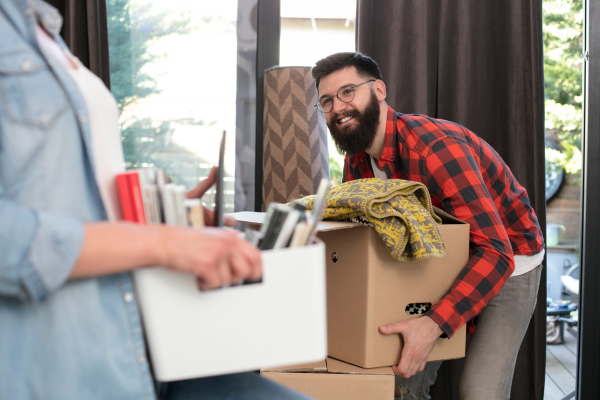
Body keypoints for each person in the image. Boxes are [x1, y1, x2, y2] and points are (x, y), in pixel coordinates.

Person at [0, 1, 313, 399]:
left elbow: (67, 193)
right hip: (63, 367)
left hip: (135, 353)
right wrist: (163, 243)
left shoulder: (44, 29)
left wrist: (165, 214)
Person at [311, 52, 545, 400]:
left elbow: (496, 254)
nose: (337, 108)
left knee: (478, 391)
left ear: (378, 90)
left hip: (508, 258)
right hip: (435, 259)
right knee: (401, 381)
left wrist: (433, 325)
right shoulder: (357, 162)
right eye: (326, 101)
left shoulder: (436, 149)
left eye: (348, 92)